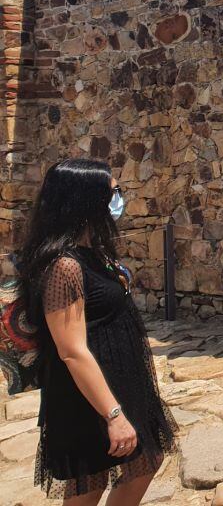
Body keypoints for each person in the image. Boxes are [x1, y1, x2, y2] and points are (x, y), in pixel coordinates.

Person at [18, 158, 176, 505]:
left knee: (145, 461)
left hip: (117, 382)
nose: (119, 198)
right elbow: (71, 350)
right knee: (89, 486)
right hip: (86, 399)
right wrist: (113, 415)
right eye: (112, 191)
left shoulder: (92, 251)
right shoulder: (64, 266)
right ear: (85, 199)